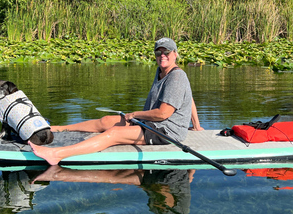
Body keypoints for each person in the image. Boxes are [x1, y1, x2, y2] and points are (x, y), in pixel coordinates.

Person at [29, 37, 204, 165]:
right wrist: (196, 125)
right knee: (106, 121)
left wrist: (134, 114)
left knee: (113, 134)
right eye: (158, 52)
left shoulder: (176, 77)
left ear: (174, 54)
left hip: (166, 131)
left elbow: (163, 113)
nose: (162, 55)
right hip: (152, 123)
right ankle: (56, 128)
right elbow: (188, 96)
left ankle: (57, 154)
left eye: (166, 52)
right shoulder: (162, 71)